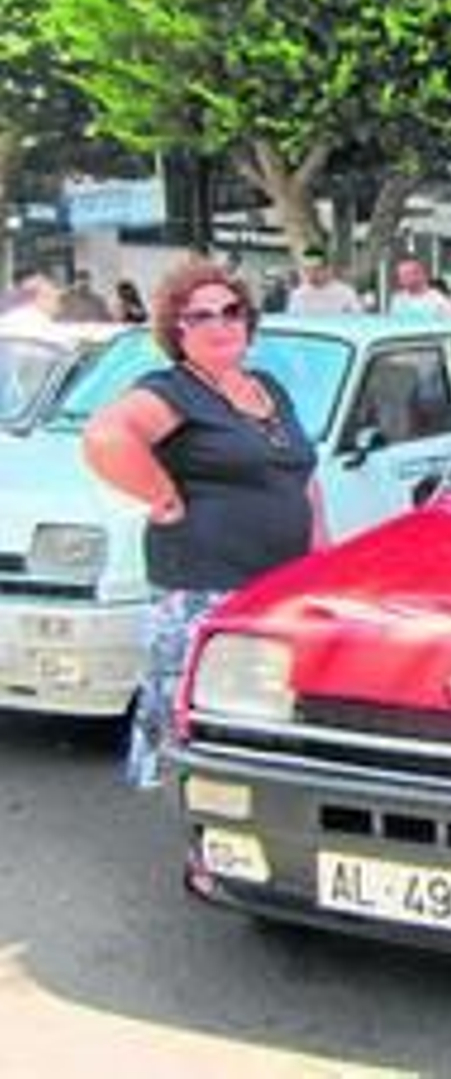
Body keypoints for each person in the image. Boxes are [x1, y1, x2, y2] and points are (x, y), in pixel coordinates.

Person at [82, 257, 324, 789]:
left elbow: (301, 473)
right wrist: (161, 496)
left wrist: (319, 557)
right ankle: (193, 823)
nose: (220, 324)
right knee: (193, 724)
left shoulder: (266, 387)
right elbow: (106, 437)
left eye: (231, 311)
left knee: (263, 722)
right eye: (201, 316)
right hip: (203, 592)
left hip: (275, 589)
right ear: (177, 330)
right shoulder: (173, 389)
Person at [287, 247, 363, 316]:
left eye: (316, 269)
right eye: (307, 270)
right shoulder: (298, 295)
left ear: (328, 269)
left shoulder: (345, 293)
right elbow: (292, 320)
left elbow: (357, 318)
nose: (311, 274)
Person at [389, 256, 451, 320]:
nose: (402, 278)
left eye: (407, 274)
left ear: (421, 275)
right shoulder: (398, 300)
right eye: (401, 275)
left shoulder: (437, 300)